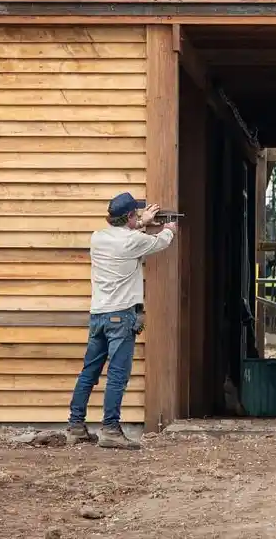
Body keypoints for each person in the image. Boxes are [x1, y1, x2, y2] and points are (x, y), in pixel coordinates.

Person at [68, 191, 178, 449]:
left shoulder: (98, 238)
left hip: (99, 314)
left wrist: (142, 223)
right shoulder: (133, 241)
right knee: (118, 374)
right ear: (129, 216)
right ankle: (110, 429)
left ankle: (76, 426)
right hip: (121, 317)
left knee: (89, 372)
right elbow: (161, 241)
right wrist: (169, 227)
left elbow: (129, 236)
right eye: (136, 214)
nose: (139, 217)